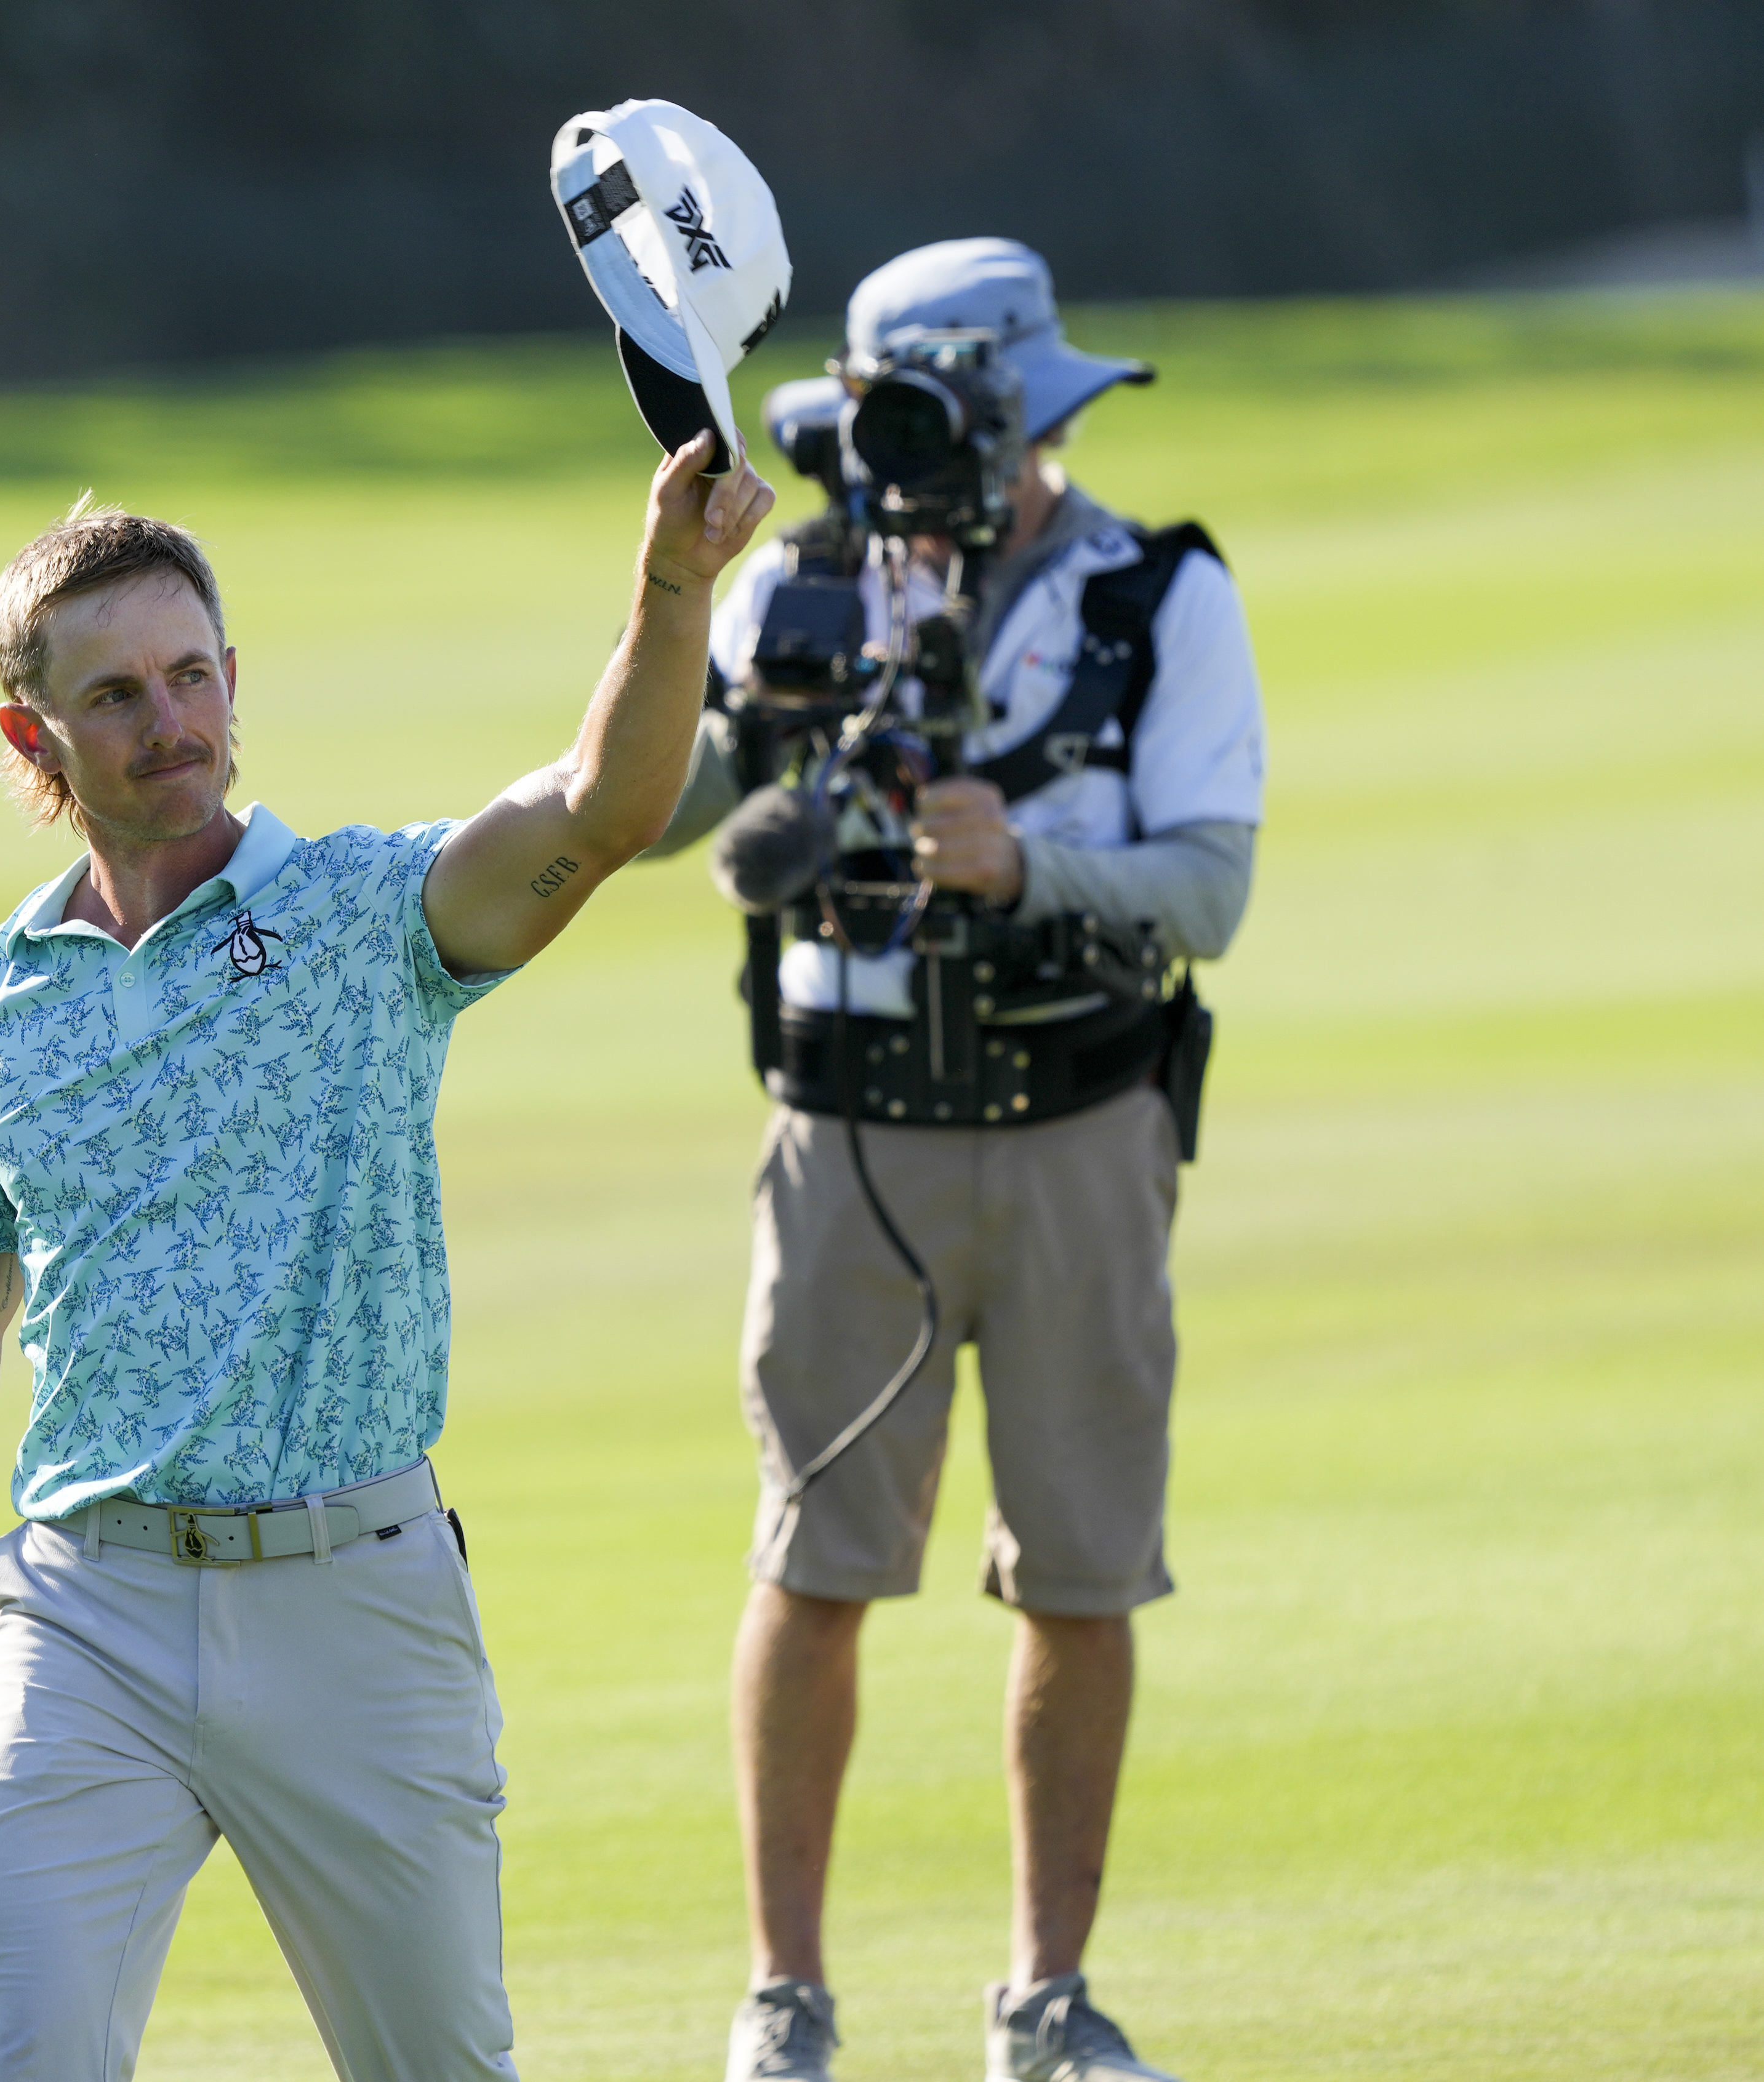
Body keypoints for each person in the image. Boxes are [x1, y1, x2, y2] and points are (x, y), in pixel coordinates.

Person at [0, 436, 776, 2078]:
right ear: (35, 735)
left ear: (233, 681)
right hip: (85, 1613)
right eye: (113, 698)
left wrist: (673, 587)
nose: (167, 723)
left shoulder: (369, 916)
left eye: (187, 677)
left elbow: (603, 808)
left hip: (354, 1606)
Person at [651, 240, 1264, 2082]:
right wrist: (710, 631)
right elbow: (667, 817)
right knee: (813, 1561)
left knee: (1081, 1574)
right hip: (846, 1140)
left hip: (1080, 1131)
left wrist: (1027, 867)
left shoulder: (1156, 593)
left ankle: (1045, 2001)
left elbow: (1208, 891)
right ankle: (785, 2002)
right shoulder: (803, 581)